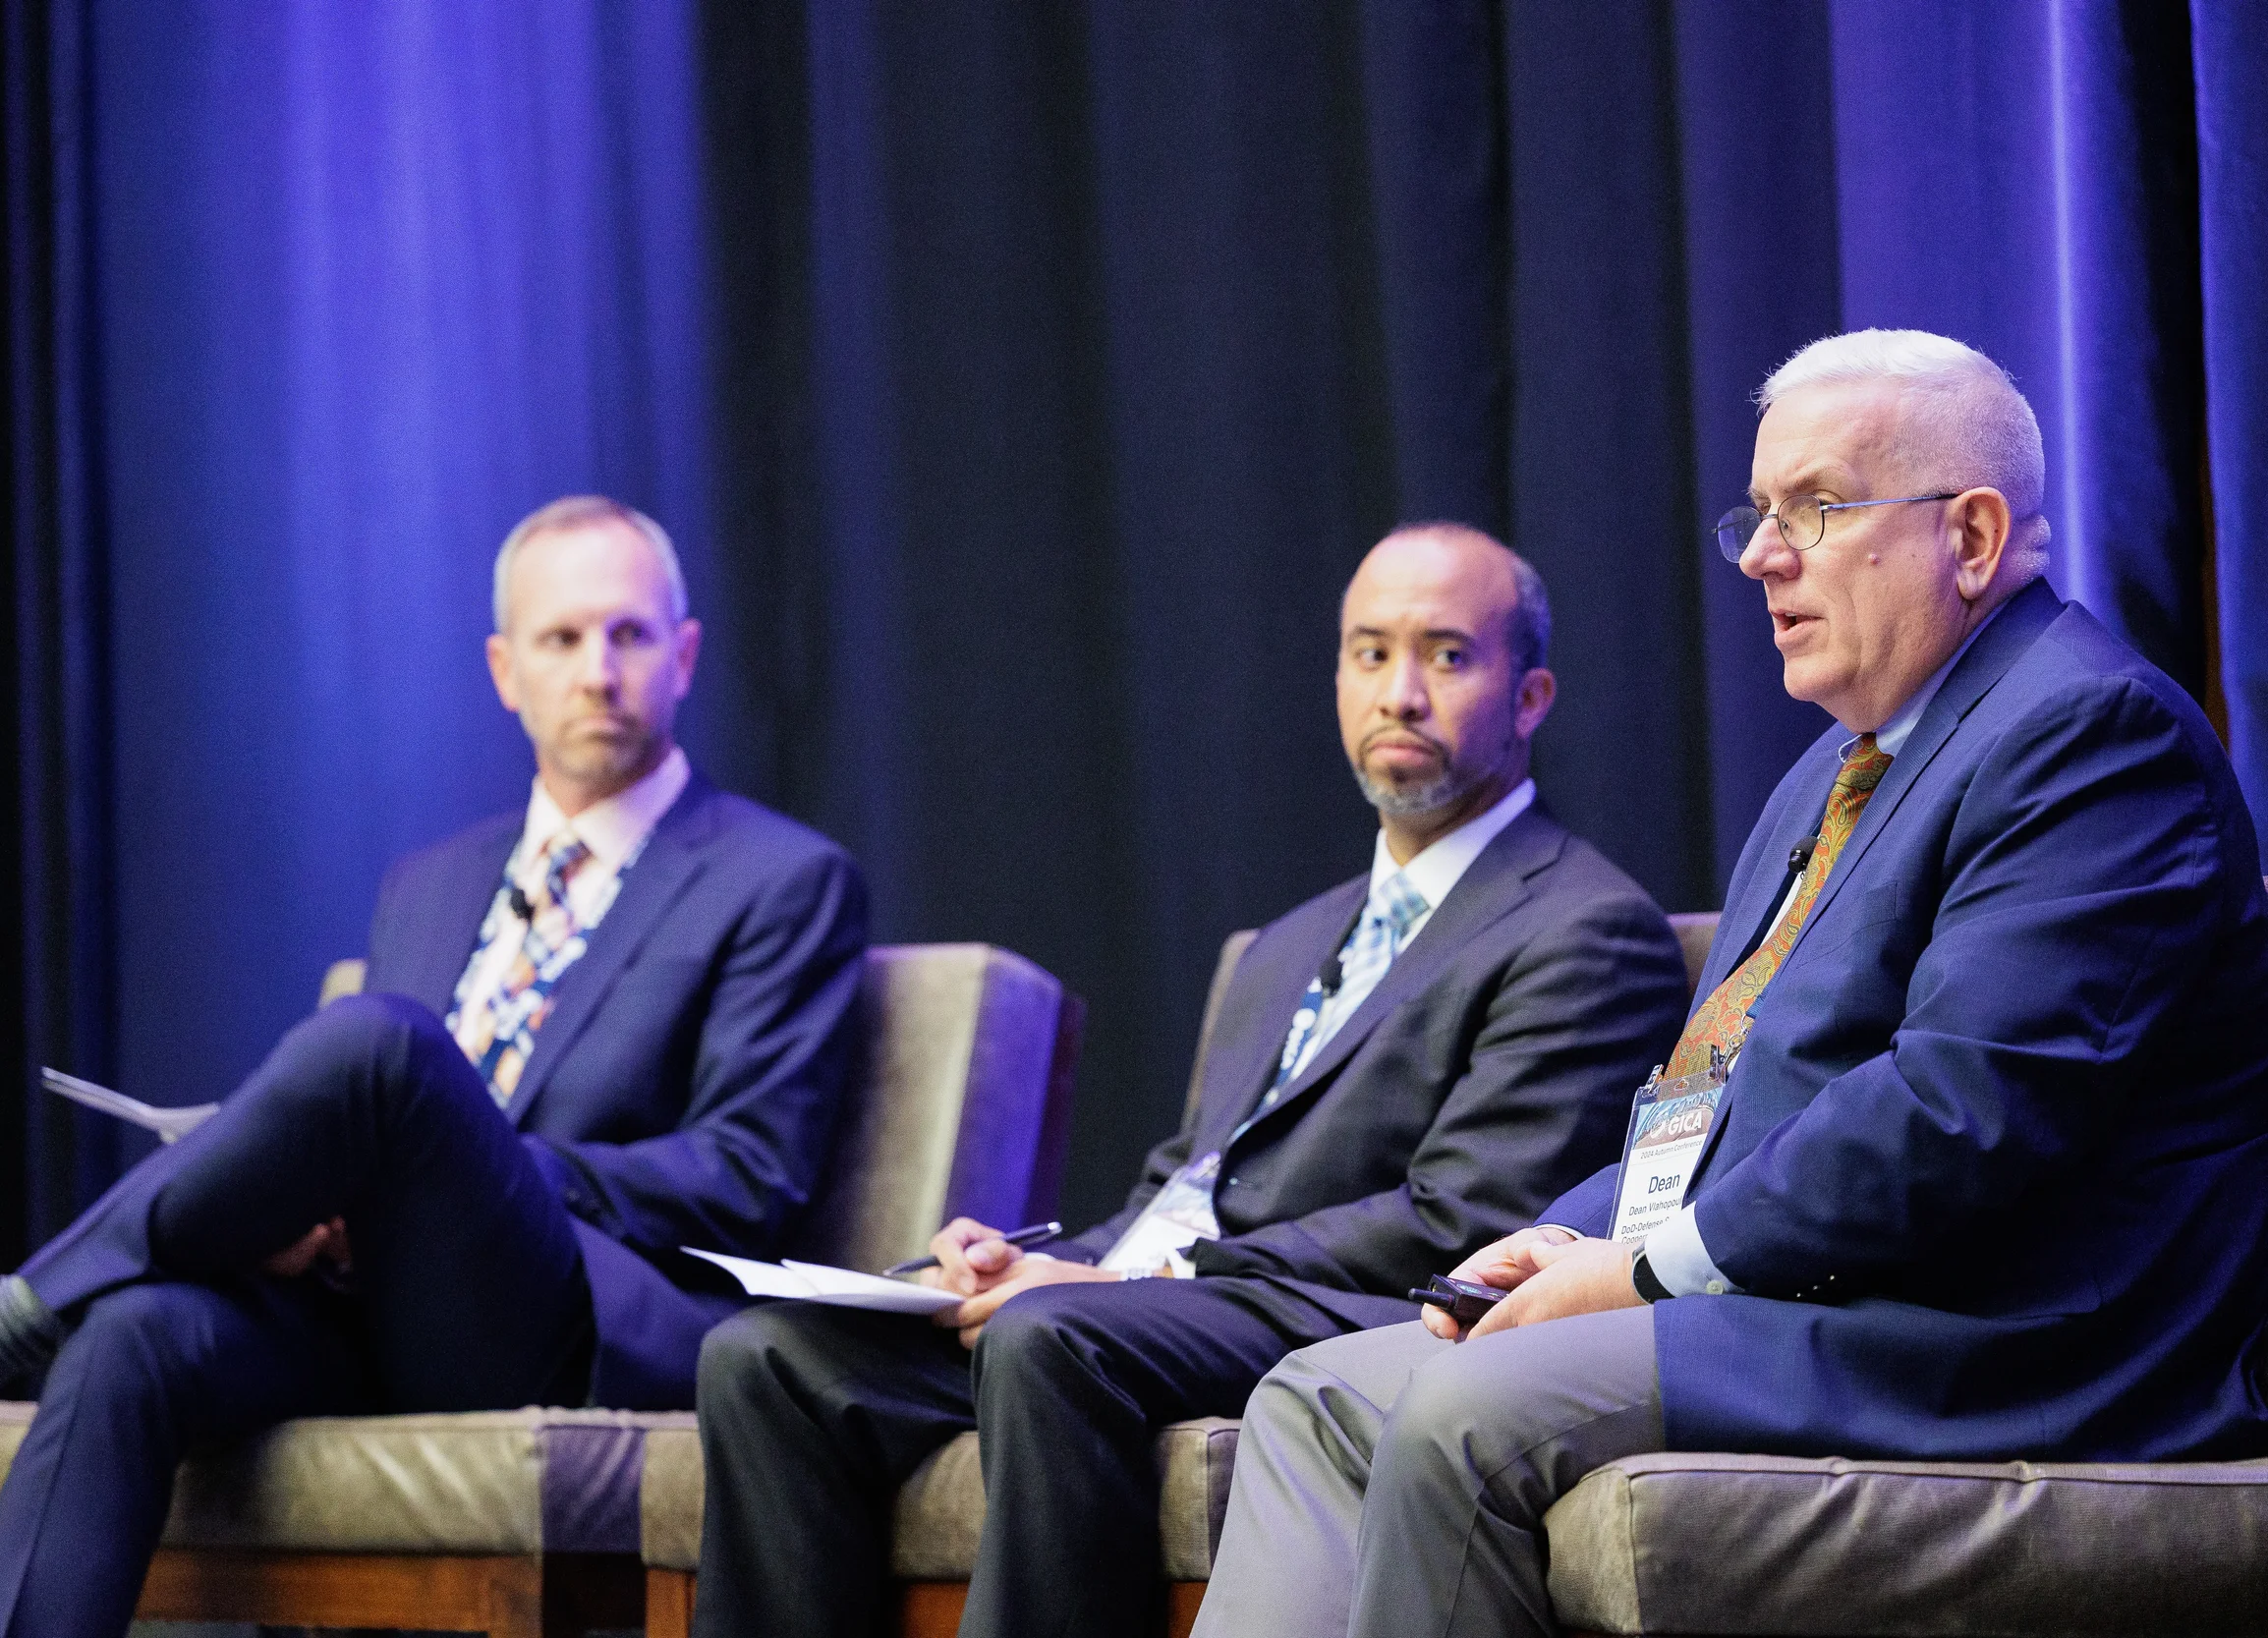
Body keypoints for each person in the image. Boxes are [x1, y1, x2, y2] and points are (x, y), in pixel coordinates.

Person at [1193, 329, 2268, 1638]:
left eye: (1813, 507)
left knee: (1464, 1410)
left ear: (1973, 535)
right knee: (1317, 1391)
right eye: (1756, 515)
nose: (1763, 555)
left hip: (1995, 1329)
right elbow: (1712, 1081)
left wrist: (1647, 1271)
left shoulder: (2094, 736)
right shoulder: (1830, 767)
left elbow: (1959, 1110)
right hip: (1809, 1293)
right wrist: (1581, 1229)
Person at [0, 496, 868, 1638]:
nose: (598, 671)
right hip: (361, 1303)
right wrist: (320, 1195)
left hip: (568, 1314)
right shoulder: (432, 879)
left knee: (386, 1046)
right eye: (562, 640)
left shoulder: (781, 878)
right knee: (133, 1336)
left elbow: (747, 1174)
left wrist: (445, 1165)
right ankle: (24, 1350)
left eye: (630, 635)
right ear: (504, 669)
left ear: (686, 654)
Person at [691, 524, 1691, 1638]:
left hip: (1354, 1315)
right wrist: (1043, 1256)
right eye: (1368, 653)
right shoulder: (1287, 941)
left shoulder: (1584, 926)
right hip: (1170, 1300)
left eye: (1447, 655)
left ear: (1532, 693)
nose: (1399, 691)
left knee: (1051, 1334)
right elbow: (1188, 1183)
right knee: (768, 1353)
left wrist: (1106, 1289)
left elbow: (1455, 1220)